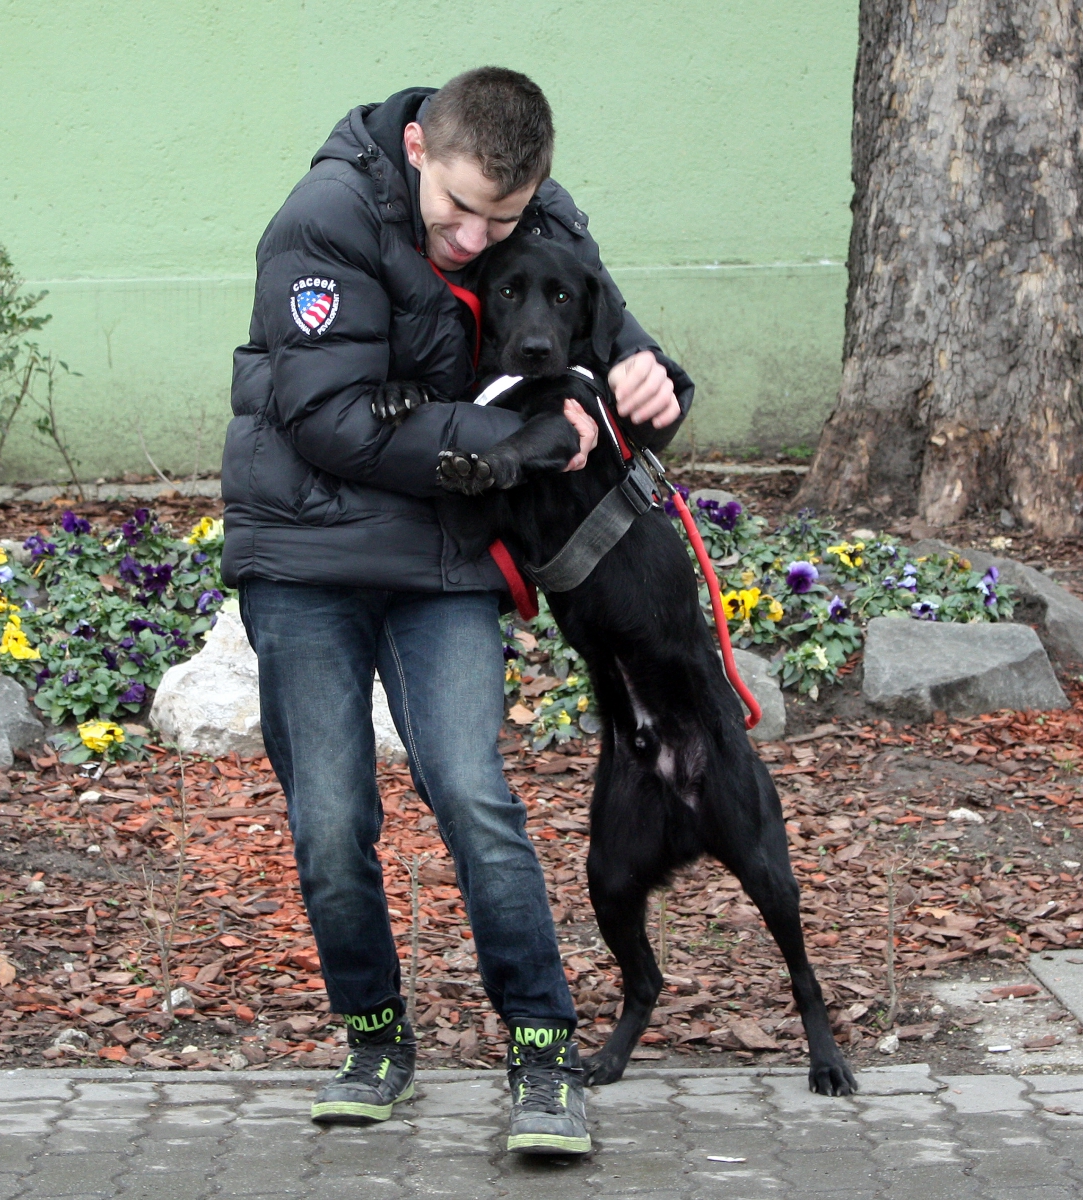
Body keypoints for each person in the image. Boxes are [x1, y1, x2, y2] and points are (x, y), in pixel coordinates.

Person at [219, 66, 692, 1155]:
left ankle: (542, 1055)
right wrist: (512, 443)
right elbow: (329, 417)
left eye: (507, 218)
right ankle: (375, 1041)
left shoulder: (538, 214)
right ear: (421, 147)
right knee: (331, 820)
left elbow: (602, 325)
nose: (479, 239)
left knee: (475, 794)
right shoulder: (325, 218)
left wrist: (643, 374)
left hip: (444, 556)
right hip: (308, 556)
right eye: (460, 211)